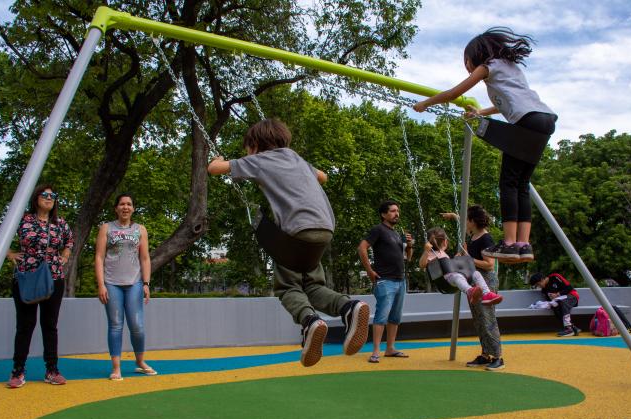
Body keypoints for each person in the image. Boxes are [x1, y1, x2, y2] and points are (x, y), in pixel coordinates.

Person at [207, 118, 370, 367]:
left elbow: (214, 169)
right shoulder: (298, 160)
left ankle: (309, 322)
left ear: (256, 145)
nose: (247, 153)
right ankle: (349, 307)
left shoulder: (259, 159)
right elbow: (323, 176)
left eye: (247, 148)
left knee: (287, 287)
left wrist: (217, 159)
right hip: (324, 229)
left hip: (296, 230)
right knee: (313, 286)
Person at [414, 27, 557, 263]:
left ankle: (510, 244)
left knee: (509, 183)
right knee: (521, 184)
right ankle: (523, 245)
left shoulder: (488, 66)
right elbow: (509, 104)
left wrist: (426, 104)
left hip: (527, 121)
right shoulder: (511, 68)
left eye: (466, 61)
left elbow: (454, 93)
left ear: (476, 55)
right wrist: (481, 111)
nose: (467, 66)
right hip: (544, 120)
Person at [5, 184, 74, 388]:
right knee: (25, 325)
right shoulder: (22, 219)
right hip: (27, 277)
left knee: (50, 325)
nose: (49, 198)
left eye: (53, 196)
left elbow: (69, 240)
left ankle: (52, 370)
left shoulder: (60, 223)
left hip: (53, 278)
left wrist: (65, 256)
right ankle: (18, 371)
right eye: (45, 194)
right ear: (36, 198)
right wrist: (9, 253)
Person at [95, 193, 156, 380]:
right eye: (122, 204)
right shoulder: (106, 228)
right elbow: (99, 257)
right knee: (115, 325)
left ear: (133, 208)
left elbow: (145, 258)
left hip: (135, 283)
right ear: (116, 208)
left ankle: (139, 361)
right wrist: (101, 285)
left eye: (129, 204)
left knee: (137, 325)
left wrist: (146, 283)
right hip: (112, 283)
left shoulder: (140, 230)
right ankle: (116, 367)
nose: (125, 207)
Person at [442, 205, 505, 371]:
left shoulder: (486, 239)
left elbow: (489, 264)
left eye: (466, 219)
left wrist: (468, 259)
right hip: (474, 282)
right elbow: (462, 220)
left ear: (473, 221)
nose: (465, 222)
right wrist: (454, 216)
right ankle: (485, 354)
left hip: (486, 282)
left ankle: (498, 357)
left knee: (487, 318)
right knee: (478, 319)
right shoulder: (474, 236)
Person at [357, 201, 414, 364]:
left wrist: (409, 245)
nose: (397, 214)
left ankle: (390, 349)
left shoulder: (397, 233)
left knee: (395, 316)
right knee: (382, 315)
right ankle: (375, 351)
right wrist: (369, 270)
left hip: (400, 280)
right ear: (383, 214)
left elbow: (407, 258)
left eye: (398, 211)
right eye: (393, 211)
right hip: (385, 280)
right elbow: (361, 248)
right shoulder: (378, 230)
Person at [417, 226, 502, 305]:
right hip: (446, 281)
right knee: (457, 276)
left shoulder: (442, 253)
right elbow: (422, 265)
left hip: (455, 275)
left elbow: (448, 266)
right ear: (445, 242)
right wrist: (426, 251)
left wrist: (456, 259)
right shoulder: (429, 254)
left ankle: (486, 294)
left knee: (476, 273)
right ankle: (470, 291)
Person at [529, 272, 581, 337]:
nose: (539, 287)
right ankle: (573, 328)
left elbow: (569, 288)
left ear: (542, 279)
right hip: (561, 302)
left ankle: (569, 329)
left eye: (538, 284)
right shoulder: (544, 290)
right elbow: (551, 301)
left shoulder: (555, 277)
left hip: (572, 296)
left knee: (562, 301)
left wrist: (557, 294)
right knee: (555, 305)